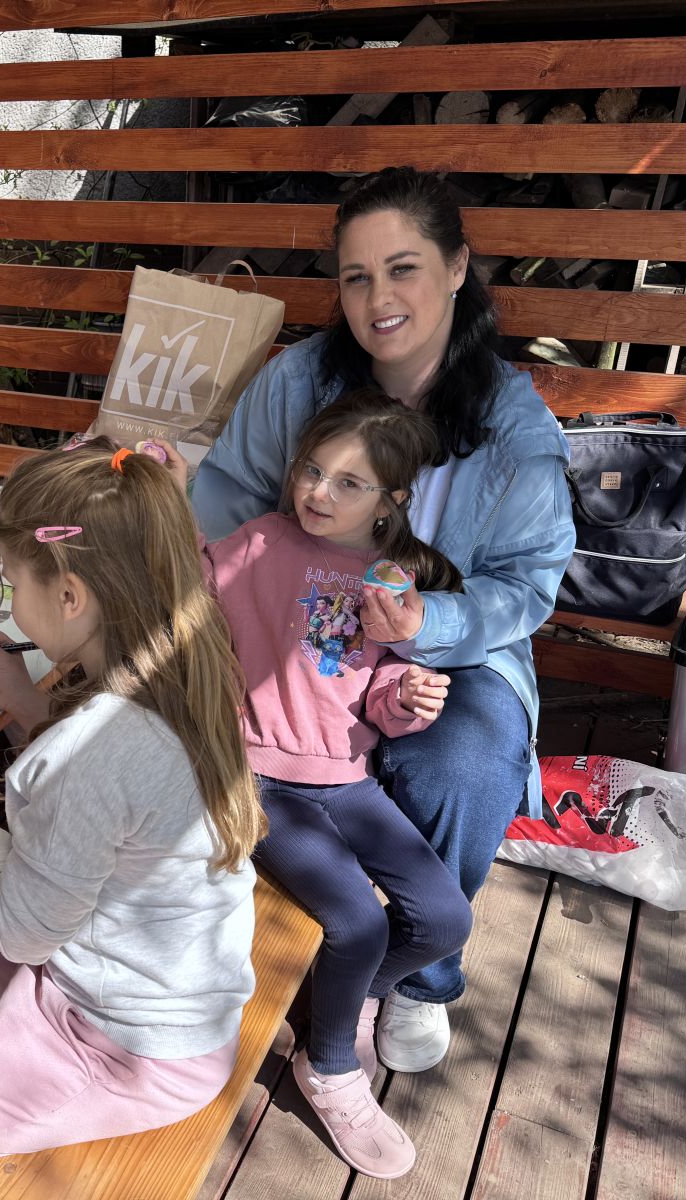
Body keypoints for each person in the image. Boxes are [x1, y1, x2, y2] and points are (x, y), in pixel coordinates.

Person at [192, 165, 575, 1072]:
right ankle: (293, 936)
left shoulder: (514, 427)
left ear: (457, 269)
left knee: (466, 757)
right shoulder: (301, 380)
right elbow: (225, 500)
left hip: (453, 644)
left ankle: (417, 977)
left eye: (403, 269)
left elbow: (526, 588)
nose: (378, 300)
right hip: (304, 624)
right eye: (357, 277)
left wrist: (424, 624)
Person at [0, 442, 265, 1200]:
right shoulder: (177, 665)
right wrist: (28, 707)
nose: (10, 606)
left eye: (13, 584)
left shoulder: (98, 748)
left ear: (68, 595)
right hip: (129, 975)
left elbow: (22, 934)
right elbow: (115, 803)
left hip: (126, 1045)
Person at [176, 393, 470, 1178]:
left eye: (348, 483)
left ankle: (349, 996)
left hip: (346, 782)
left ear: (391, 501)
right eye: (312, 470)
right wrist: (167, 502)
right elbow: (185, 584)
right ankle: (330, 1067)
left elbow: (375, 690)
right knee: (358, 923)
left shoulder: (388, 578)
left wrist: (408, 699)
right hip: (256, 781)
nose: (318, 491)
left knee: (445, 920)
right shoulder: (258, 542)